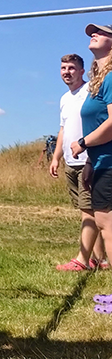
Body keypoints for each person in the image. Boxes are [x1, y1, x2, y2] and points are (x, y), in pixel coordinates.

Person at [49, 54, 108, 271]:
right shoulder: (65, 99)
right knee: (87, 211)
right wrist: (56, 157)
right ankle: (99, 259)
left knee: (89, 211)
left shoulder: (90, 92)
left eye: (72, 68)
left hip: (88, 159)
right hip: (70, 163)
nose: (67, 71)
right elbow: (63, 129)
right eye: (63, 67)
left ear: (82, 71)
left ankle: (81, 260)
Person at [69, 24, 112, 278]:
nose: (93, 34)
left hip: (109, 162)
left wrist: (83, 143)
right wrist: (89, 163)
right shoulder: (100, 80)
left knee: (106, 224)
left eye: (101, 32)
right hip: (100, 162)